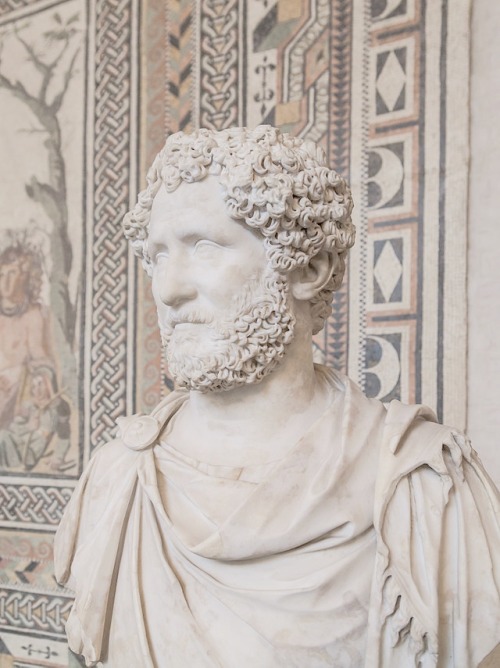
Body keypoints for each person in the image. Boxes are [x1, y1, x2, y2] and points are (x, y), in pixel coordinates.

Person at [54, 126, 500, 667]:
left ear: (309, 269)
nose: (168, 290)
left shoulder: (426, 485)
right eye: (155, 257)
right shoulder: (115, 479)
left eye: (204, 247)